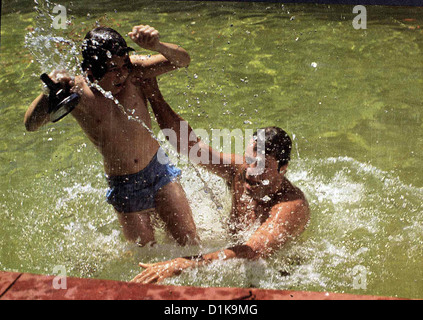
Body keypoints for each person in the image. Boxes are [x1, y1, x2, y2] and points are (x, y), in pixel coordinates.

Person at [24, 25, 199, 246]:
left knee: (190, 242)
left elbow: (183, 60)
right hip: (124, 186)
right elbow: (31, 124)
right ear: (90, 71)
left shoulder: (135, 72)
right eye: (113, 68)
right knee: (147, 255)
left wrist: (157, 45)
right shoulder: (77, 92)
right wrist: (48, 93)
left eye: (124, 64)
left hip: (158, 171)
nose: (122, 74)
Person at [131, 78, 310, 284]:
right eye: (249, 161)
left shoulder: (290, 206)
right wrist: (152, 91)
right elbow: (191, 147)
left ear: (283, 169)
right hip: (238, 252)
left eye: (262, 166)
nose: (251, 173)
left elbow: (253, 251)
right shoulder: (240, 171)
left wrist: (183, 263)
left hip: (280, 269)